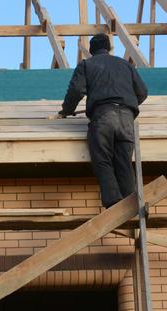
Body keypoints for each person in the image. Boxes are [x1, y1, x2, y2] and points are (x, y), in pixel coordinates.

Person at [58, 33, 148, 208]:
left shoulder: (86, 65)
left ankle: (113, 201)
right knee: (124, 161)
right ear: (109, 48)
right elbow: (142, 92)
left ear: (91, 50)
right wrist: (127, 102)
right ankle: (130, 203)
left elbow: (76, 91)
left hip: (104, 116)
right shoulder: (125, 65)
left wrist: (66, 111)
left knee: (103, 158)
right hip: (127, 119)